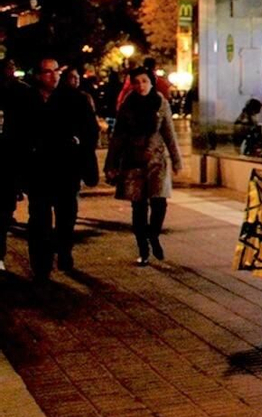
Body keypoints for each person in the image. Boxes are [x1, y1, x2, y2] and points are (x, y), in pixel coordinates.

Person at [25, 58, 100, 279]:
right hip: (38, 168)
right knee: (39, 217)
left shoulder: (75, 99)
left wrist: (79, 148)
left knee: (66, 215)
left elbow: (90, 131)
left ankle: (64, 249)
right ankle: (41, 263)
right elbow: (17, 133)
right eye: (48, 72)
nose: (54, 76)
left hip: (66, 168)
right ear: (38, 75)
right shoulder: (28, 99)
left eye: (56, 71)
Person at [105, 68, 183, 266]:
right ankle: (143, 249)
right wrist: (111, 163)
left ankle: (153, 234)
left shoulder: (160, 103)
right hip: (133, 161)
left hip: (156, 160)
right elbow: (118, 137)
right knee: (138, 207)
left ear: (151, 82)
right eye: (136, 81)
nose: (141, 85)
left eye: (144, 81)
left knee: (159, 203)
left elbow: (169, 134)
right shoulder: (127, 105)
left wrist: (176, 160)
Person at [1, 67, 33, 274]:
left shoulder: (21, 93)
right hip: (10, 158)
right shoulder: (21, 92)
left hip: (8, 158)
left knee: (3, 209)